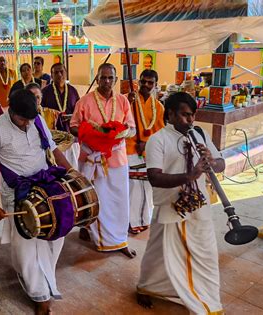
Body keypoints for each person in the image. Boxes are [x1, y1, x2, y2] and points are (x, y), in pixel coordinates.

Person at [0, 89, 72, 315]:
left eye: (30, 119)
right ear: (10, 109)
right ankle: (40, 295)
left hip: (45, 187)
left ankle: (44, 277)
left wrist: (72, 173)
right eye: (21, 119)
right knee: (26, 245)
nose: (26, 124)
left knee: (55, 234)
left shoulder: (36, 119)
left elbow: (53, 148)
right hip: (17, 192)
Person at [136, 92, 225, 314]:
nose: (190, 120)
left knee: (206, 255)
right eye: (185, 115)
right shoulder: (158, 140)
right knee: (158, 252)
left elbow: (221, 164)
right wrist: (190, 176)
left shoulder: (200, 134)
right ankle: (147, 287)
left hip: (199, 205)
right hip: (170, 206)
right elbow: (154, 177)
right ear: (171, 114)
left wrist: (212, 161)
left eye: (193, 115)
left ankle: (208, 303)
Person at [70, 63, 137, 258]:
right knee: (95, 199)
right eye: (103, 77)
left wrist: (119, 135)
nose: (106, 81)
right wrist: (91, 135)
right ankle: (95, 233)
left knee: (118, 201)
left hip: (117, 159)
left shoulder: (123, 101)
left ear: (116, 80)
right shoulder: (84, 102)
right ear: (97, 78)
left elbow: (131, 128)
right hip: (91, 158)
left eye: (110, 78)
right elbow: (73, 126)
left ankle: (119, 240)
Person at [126, 70, 165, 234]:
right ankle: (129, 221)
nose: (146, 86)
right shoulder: (129, 102)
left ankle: (143, 220)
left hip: (148, 152)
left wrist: (147, 143)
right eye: (143, 82)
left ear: (155, 85)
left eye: (150, 83)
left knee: (147, 189)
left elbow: (161, 133)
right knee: (132, 188)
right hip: (129, 150)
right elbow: (124, 126)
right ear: (138, 82)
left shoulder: (158, 107)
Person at [41, 63, 80, 168]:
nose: (59, 75)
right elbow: (40, 113)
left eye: (61, 71)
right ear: (51, 75)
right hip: (53, 138)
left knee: (72, 167)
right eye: (55, 72)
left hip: (71, 137)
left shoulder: (73, 91)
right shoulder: (45, 92)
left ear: (66, 73)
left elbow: (79, 111)